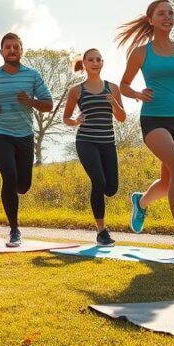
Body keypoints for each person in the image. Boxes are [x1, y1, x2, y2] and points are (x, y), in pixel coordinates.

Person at [118, 0, 174, 258]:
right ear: (151, 20)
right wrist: (137, 93)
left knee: (170, 180)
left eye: (171, 13)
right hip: (154, 119)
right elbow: (124, 85)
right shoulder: (141, 52)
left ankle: (141, 202)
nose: (168, 17)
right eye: (162, 13)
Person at [0, 32, 54, 247]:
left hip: (25, 135)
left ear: (22, 50)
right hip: (0, 133)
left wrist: (30, 102)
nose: (12, 50)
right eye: (8, 47)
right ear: (1, 52)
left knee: (23, 186)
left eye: (16, 47)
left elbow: (48, 104)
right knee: (9, 177)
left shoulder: (33, 75)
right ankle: (14, 229)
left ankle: (15, 216)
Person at [63, 49, 126, 246]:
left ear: (102, 63)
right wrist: (75, 121)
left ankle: (101, 229)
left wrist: (114, 102)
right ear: (84, 63)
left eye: (99, 59)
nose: (95, 62)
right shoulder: (76, 90)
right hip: (86, 142)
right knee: (98, 182)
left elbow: (122, 118)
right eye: (91, 59)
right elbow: (66, 117)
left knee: (111, 189)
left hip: (108, 142)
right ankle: (101, 231)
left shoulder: (112, 88)